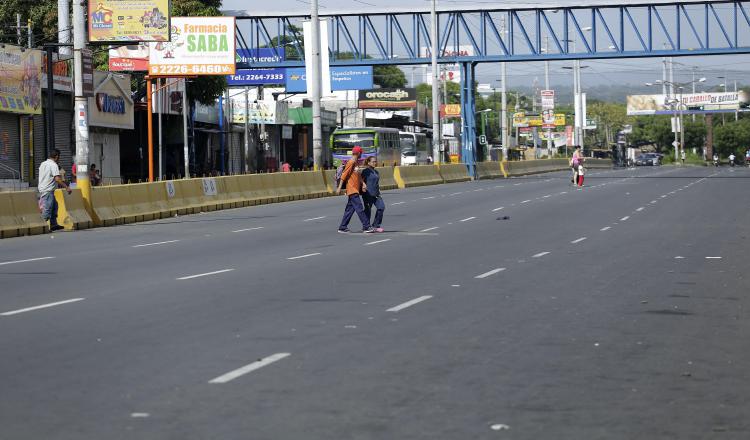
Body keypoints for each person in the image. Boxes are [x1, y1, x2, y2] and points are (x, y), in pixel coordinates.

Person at [336, 146, 374, 233]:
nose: (362, 154)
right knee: (359, 208)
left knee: (350, 209)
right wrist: (339, 187)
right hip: (352, 189)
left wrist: (363, 183)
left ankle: (342, 227)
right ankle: (366, 226)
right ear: (358, 153)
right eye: (361, 153)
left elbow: (358, 175)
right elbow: (344, 175)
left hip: (355, 189)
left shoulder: (356, 163)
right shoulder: (351, 162)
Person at [38, 148, 71, 232]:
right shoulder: (53, 165)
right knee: (48, 208)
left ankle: (53, 224)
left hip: (43, 188)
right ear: (56, 157)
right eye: (59, 157)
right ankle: (43, 226)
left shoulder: (43, 163)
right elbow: (57, 178)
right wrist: (66, 187)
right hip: (48, 190)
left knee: (54, 206)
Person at [361, 156, 385, 233]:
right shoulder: (365, 171)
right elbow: (361, 181)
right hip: (368, 194)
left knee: (381, 207)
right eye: (373, 161)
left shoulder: (376, 172)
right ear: (368, 162)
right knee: (368, 210)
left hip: (376, 194)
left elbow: (376, 183)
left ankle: (375, 225)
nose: (375, 163)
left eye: (375, 161)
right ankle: (366, 226)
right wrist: (363, 187)